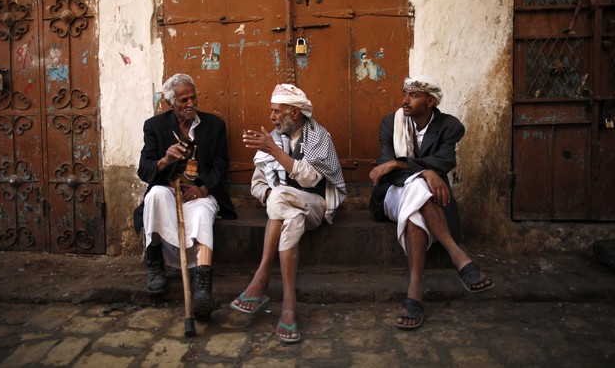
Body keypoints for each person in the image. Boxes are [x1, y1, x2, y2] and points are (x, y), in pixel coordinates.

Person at [368, 75, 494, 330]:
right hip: (392, 193)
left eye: (413, 95)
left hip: (424, 200)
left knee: (415, 206)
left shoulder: (450, 126)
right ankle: (458, 257)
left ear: (430, 101)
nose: (405, 100)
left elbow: (444, 162)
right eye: (404, 93)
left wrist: (402, 164)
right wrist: (425, 172)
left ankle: (415, 290)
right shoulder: (390, 123)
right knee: (417, 185)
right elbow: (385, 169)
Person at [230, 84, 347, 344]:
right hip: (290, 213)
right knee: (289, 215)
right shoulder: (273, 138)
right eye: (271, 112)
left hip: (316, 206)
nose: (271, 117)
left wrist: (275, 152)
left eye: (276, 111)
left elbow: (309, 179)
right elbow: (257, 185)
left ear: (294, 113)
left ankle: (261, 276)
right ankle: (289, 304)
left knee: (281, 195)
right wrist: (270, 196)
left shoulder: (319, 137)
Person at [134, 73, 237, 321]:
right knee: (155, 195)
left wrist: (203, 188)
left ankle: (202, 282)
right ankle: (156, 266)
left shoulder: (214, 126)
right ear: (170, 103)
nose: (190, 104)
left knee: (202, 213)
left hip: (198, 193)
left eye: (193, 97)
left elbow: (221, 165)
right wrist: (165, 160)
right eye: (183, 100)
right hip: (169, 190)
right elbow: (144, 170)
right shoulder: (155, 126)